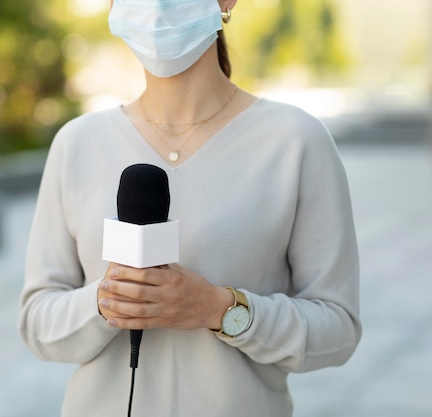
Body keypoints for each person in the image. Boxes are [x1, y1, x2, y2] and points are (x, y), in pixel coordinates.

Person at [18, 0, 362, 415]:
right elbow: (37, 323)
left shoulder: (295, 141)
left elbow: (338, 330)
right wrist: (106, 301)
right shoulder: (77, 143)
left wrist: (221, 309)